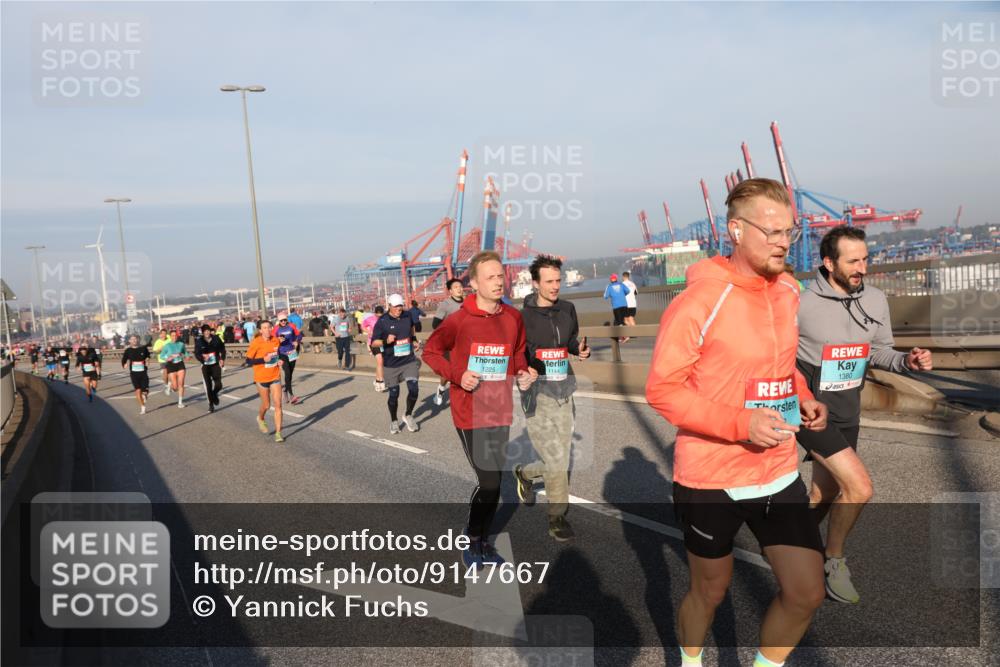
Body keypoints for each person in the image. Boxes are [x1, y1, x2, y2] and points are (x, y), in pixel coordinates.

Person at [645, 178, 829, 667]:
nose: (783, 242)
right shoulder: (700, 301)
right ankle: (689, 660)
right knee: (710, 591)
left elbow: (778, 365)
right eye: (770, 231)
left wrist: (803, 396)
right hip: (710, 478)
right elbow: (662, 389)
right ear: (735, 231)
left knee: (807, 592)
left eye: (788, 231)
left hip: (777, 469)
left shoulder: (789, 290)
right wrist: (740, 425)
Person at [796, 225, 933, 605]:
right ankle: (833, 561)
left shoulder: (874, 298)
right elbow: (774, 355)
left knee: (826, 491)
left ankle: (787, 543)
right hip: (809, 410)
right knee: (859, 487)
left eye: (866, 259)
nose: (862, 268)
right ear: (828, 263)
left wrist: (907, 360)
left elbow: (880, 351)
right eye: (853, 261)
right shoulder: (801, 303)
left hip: (846, 407)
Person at [423, 251, 537, 569]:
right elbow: (431, 352)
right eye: (491, 276)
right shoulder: (458, 321)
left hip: (498, 408)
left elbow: (516, 355)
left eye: (501, 275)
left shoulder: (513, 318)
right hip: (468, 409)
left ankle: (483, 538)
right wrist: (458, 375)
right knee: (488, 482)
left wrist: (525, 373)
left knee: (496, 482)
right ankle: (473, 538)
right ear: (473, 283)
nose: (499, 281)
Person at [513, 255, 591, 542]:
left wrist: (579, 350)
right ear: (535, 284)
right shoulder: (521, 318)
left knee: (557, 454)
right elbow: (515, 353)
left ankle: (524, 473)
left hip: (564, 389)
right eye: (549, 282)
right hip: (537, 392)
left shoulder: (568, 309)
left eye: (558, 280)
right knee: (557, 457)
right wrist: (525, 369)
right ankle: (557, 516)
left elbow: (569, 341)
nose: (556, 286)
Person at [371, 294, 421, 434]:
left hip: (408, 361)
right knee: (394, 394)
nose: (399, 308)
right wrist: (386, 341)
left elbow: (411, 328)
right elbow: (374, 342)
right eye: (396, 306)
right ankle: (394, 420)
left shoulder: (407, 315)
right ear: (389, 306)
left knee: (414, 389)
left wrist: (414, 339)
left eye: (401, 305)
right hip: (391, 364)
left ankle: (408, 415)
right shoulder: (382, 321)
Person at [246, 320, 284, 442]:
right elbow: (248, 361)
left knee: (278, 404)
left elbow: (279, 353)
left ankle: (278, 433)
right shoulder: (256, 342)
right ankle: (261, 418)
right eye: (264, 328)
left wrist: (280, 360)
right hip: (261, 378)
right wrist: (263, 359)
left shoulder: (275, 340)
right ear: (260, 330)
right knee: (266, 405)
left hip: (275, 376)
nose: (267, 330)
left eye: (269, 327)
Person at [431, 278, 465, 406]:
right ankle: (441, 388)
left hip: (465, 342)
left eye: (460, 286)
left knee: (464, 369)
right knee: (448, 371)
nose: (459, 289)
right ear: (450, 291)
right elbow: (435, 324)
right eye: (456, 287)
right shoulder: (445, 304)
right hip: (450, 344)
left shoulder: (468, 303)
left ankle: (462, 395)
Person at [195, 324, 227, 413]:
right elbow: (196, 353)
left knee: (219, 385)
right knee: (208, 386)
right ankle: (211, 405)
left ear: (210, 331)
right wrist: (202, 357)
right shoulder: (199, 341)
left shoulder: (216, 338)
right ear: (202, 332)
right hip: (205, 366)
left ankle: (214, 394)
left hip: (215, 364)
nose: (207, 332)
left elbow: (222, 349)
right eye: (205, 331)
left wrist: (222, 359)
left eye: (208, 330)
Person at [273, 312, 303, 404]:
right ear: (279, 321)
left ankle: (285, 390)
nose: (283, 322)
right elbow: (272, 341)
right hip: (282, 353)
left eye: (285, 320)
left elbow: (299, 335)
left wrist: (297, 341)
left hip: (292, 352)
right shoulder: (276, 329)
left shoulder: (292, 326)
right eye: (281, 320)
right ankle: (291, 395)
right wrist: (278, 340)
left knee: (290, 374)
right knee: (287, 372)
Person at [121, 334, 151, 414]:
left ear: (138, 340)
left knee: (145, 391)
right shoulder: (128, 350)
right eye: (132, 339)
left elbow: (148, 356)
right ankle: (142, 407)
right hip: (134, 374)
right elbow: (124, 359)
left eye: (135, 339)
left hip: (143, 372)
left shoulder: (143, 348)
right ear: (129, 341)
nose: (134, 340)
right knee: (138, 391)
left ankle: (145, 395)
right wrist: (124, 364)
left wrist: (147, 360)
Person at [160, 330, 189, 408]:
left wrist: (187, 356)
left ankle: (180, 403)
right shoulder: (167, 345)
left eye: (176, 335)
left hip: (180, 364)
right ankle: (170, 385)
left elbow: (185, 352)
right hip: (171, 365)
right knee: (175, 387)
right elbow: (162, 356)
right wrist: (167, 358)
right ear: (170, 336)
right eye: (172, 335)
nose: (174, 337)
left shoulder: (181, 344)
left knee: (181, 384)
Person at [602, 273, 631, 342]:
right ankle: (625, 335)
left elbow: (605, 296)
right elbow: (628, 291)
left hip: (616, 306)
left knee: (619, 322)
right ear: (616, 279)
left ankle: (625, 336)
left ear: (610, 280)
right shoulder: (621, 284)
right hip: (624, 304)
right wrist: (622, 294)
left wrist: (612, 295)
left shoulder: (609, 286)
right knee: (625, 320)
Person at [362, 306, 385, 391]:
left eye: (381, 315)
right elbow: (362, 326)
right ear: (374, 313)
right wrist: (368, 331)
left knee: (381, 363)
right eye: (377, 315)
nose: (379, 316)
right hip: (373, 342)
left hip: (383, 342)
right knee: (380, 360)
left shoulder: (385, 318)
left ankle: (377, 380)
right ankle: (381, 382)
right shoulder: (370, 319)